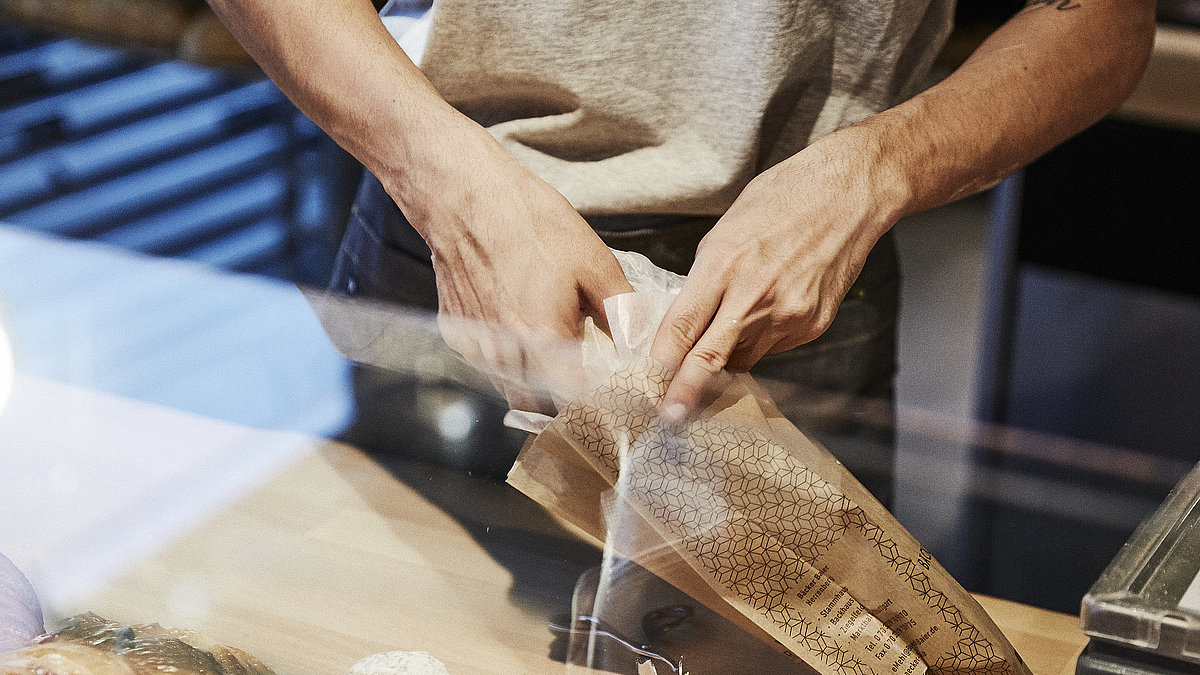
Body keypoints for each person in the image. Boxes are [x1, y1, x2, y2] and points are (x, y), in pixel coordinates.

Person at [206, 0, 1155, 502]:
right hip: (458, 252)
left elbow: (1107, 19)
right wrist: (448, 186)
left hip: (794, 296)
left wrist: (878, 169)